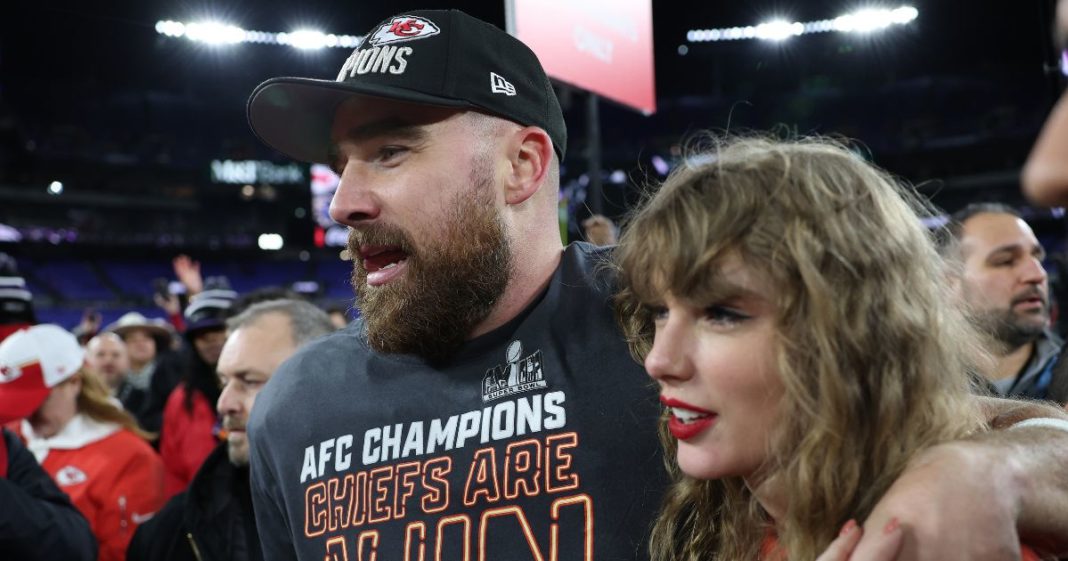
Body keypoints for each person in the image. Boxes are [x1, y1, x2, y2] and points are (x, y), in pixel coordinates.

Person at [244, 9, 1068, 561]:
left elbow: (943, 415)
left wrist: (990, 473)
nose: (346, 200)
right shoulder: (294, 404)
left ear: (523, 165)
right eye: (339, 163)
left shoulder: (662, 316)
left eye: (389, 151)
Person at [614, 137, 1064, 560]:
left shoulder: (958, 536)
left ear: (850, 333)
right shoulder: (713, 519)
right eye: (659, 311)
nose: (659, 361)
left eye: (721, 314)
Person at [128, 299, 334, 561]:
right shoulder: (168, 534)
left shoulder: (385, 506)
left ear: (321, 384)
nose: (224, 404)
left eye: (249, 381)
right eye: (223, 381)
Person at [1, 324, 166, 561]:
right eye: (14, 401)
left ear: (74, 383)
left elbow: (127, 553)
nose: (26, 414)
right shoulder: (10, 436)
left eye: (36, 401)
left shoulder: (130, 456)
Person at [941, 203, 1066, 399]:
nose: (1038, 274)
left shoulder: (1062, 372)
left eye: (1037, 258)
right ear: (948, 284)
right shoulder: (910, 386)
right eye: (1005, 261)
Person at [160, 288, 236, 498]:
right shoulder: (181, 400)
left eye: (219, 330)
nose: (212, 341)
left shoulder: (269, 389)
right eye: (202, 336)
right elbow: (172, 471)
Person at [106, 311, 180, 434]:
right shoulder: (115, 380)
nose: (141, 343)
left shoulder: (172, 375)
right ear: (121, 346)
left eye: (147, 338)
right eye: (133, 340)